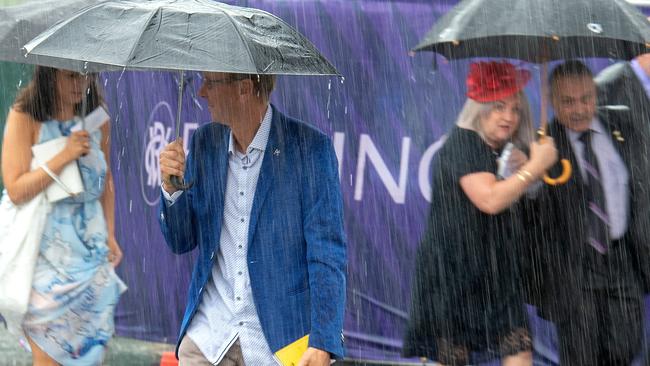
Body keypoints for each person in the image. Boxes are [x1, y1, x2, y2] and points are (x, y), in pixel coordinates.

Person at [158, 72, 347, 366]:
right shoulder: (205, 143)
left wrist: (323, 340)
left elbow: (327, 255)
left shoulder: (310, 150)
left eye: (211, 82)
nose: (202, 92)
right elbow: (181, 240)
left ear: (245, 88)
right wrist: (171, 190)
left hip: (277, 344)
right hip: (208, 339)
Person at [402, 61, 558, 366]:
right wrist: (535, 168)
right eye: (499, 106)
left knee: (519, 348)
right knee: (454, 358)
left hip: (496, 274)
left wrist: (527, 168)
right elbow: (489, 200)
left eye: (515, 109)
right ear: (479, 106)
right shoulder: (463, 143)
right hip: (454, 275)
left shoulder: (504, 150)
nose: (509, 117)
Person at [1, 66, 126, 365]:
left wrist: (110, 232)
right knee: (50, 358)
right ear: (49, 74)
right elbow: (16, 189)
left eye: (88, 76)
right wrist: (64, 155)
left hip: (90, 253)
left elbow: (106, 182)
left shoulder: (98, 118)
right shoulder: (25, 116)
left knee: (90, 355)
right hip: (44, 257)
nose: (81, 84)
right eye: (71, 76)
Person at [529, 60, 650, 365]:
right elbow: (529, 210)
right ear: (552, 101)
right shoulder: (543, 145)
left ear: (596, 94)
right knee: (582, 358)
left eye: (586, 98)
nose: (579, 109)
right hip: (575, 270)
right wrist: (529, 171)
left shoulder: (623, 128)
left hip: (623, 261)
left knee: (624, 350)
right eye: (568, 101)